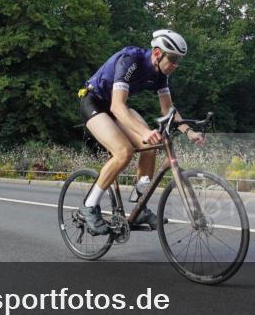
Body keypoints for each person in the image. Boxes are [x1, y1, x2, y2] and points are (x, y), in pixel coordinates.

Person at [77, 29, 205, 235]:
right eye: (172, 58)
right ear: (157, 53)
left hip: (115, 107)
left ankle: (139, 207)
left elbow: (168, 110)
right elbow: (118, 107)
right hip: (93, 102)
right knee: (124, 152)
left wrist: (189, 132)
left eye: (179, 60)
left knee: (150, 146)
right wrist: (144, 131)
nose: (175, 65)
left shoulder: (161, 75)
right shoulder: (131, 60)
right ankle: (89, 206)